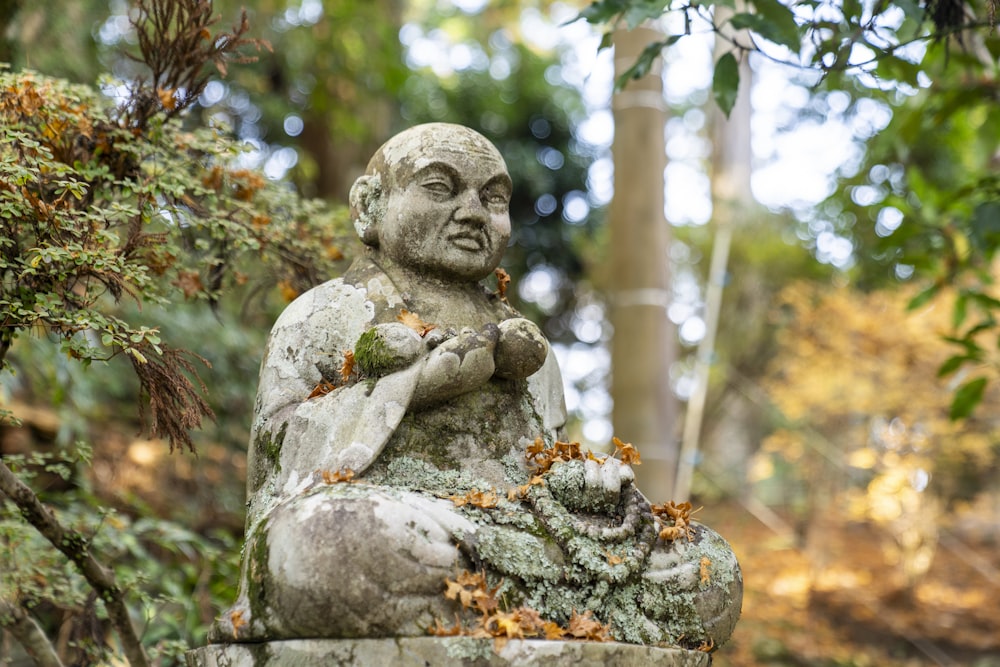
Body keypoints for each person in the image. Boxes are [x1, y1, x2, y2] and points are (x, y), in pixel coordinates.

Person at [209, 123, 741, 648]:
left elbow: (544, 474)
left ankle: (521, 610)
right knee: (320, 541)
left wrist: (583, 482)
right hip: (397, 522)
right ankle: (526, 609)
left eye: (492, 197)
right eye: (440, 188)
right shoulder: (323, 316)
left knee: (707, 565)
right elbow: (276, 466)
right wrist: (411, 388)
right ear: (370, 206)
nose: (471, 212)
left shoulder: (527, 343)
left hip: (517, 533)